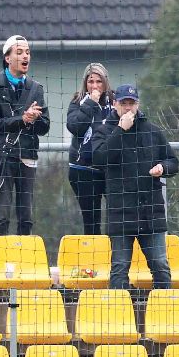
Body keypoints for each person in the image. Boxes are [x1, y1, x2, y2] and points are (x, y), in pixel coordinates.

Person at [90, 84, 179, 290]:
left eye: (132, 103)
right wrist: (121, 130)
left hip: (151, 211)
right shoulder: (104, 131)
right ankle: (118, 309)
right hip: (120, 212)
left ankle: (164, 307)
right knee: (120, 267)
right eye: (124, 103)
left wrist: (163, 167)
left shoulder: (152, 131)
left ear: (138, 104)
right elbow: (99, 158)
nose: (128, 107)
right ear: (115, 104)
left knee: (160, 265)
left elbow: (173, 162)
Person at [0, 35, 50, 236]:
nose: (25, 56)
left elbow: (45, 127)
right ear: (7, 58)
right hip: (4, 156)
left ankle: (25, 255)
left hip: (28, 156)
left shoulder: (36, 89)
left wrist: (34, 119)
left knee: (26, 217)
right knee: (2, 216)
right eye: (19, 52)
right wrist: (22, 119)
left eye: (27, 52)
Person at [65, 63, 113, 235]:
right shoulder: (77, 102)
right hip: (83, 170)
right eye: (90, 81)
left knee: (117, 217)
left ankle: (116, 251)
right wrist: (91, 103)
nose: (95, 86)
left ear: (105, 82)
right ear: (85, 83)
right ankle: (93, 251)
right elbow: (75, 127)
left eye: (99, 81)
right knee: (91, 222)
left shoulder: (115, 101)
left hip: (110, 169)